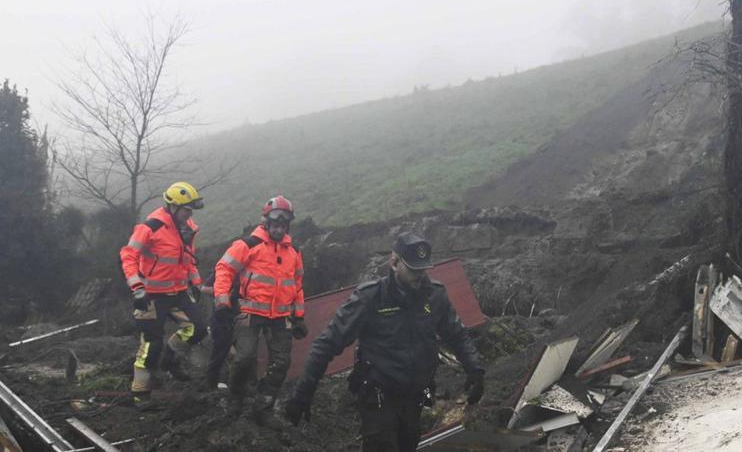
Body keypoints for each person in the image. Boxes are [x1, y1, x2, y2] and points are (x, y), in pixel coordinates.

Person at [285, 232, 484, 452]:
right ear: (394, 262)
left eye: (422, 269)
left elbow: (456, 334)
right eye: (412, 269)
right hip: (379, 395)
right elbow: (326, 344)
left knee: (407, 444)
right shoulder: (370, 298)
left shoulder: (434, 296)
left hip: (417, 394)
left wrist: (475, 369)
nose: (419, 276)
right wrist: (303, 394)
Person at [213, 196, 308, 429]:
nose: (279, 227)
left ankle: (263, 408)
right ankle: (235, 398)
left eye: (283, 224)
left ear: (288, 225)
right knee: (244, 358)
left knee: (281, 363)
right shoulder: (249, 244)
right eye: (275, 222)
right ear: (266, 221)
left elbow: (296, 284)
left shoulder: (293, 251)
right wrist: (222, 298)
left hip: (280, 317)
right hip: (250, 311)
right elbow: (224, 268)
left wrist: (299, 316)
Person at [119, 181, 207, 409]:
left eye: (191, 210)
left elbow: (188, 260)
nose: (189, 214)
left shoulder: (187, 228)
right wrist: (136, 287)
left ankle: (170, 359)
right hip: (150, 296)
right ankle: (141, 394)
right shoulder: (151, 227)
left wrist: (195, 282)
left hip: (177, 293)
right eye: (186, 209)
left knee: (197, 328)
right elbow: (129, 255)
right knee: (150, 345)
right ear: (173, 206)